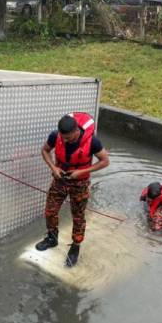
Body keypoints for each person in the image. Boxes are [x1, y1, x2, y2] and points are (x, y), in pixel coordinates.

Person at [35, 113, 109, 267]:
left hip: (80, 183)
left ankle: (75, 246)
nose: (66, 141)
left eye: (69, 138)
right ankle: (52, 238)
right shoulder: (56, 136)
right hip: (60, 179)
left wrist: (81, 172)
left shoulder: (92, 142)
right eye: (64, 138)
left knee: (78, 216)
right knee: (50, 210)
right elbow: (45, 151)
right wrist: (53, 167)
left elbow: (105, 161)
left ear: (77, 131)